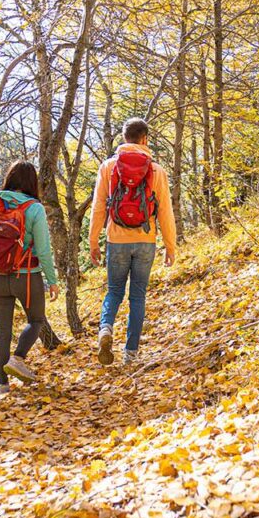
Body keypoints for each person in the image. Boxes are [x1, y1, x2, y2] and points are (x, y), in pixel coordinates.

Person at [88, 117, 177, 366]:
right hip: (145, 239)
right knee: (137, 296)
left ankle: (105, 328)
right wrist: (170, 245)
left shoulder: (108, 167)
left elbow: (98, 207)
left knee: (114, 291)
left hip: (116, 239)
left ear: (124, 137)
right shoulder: (156, 170)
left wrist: (93, 240)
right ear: (145, 138)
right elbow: (165, 211)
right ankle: (131, 353)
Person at [0, 161, 59, 392]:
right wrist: (52, 280)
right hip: (27, 277)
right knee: (36, 320)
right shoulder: (35, 208)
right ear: (32, 183)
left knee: (2, 332)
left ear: (9, 179)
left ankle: (2, 386)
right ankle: (17, 359)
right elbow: (43, 249)